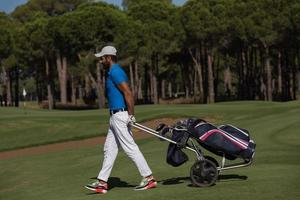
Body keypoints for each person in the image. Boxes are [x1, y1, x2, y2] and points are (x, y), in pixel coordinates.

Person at [85, 46, 157, 194]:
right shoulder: (112, 72)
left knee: (130, 147)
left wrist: (130, 115)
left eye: (102, 58)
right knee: (109, 149)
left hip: (120, 116)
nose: (100, 61)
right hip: (114, 116)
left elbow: (128, 93)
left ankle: (149, 178)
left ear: (109, 58)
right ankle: (102, 183)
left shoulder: (116, 72)